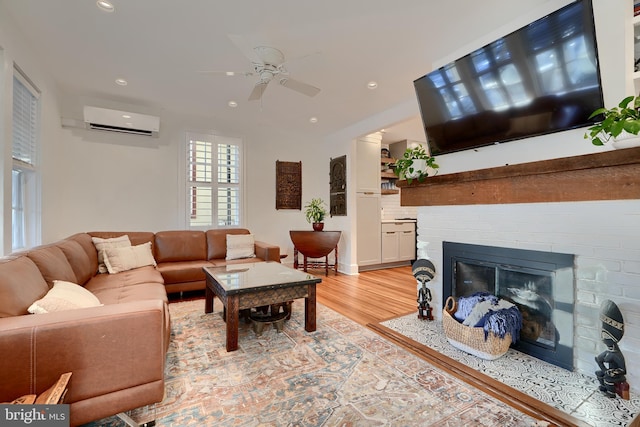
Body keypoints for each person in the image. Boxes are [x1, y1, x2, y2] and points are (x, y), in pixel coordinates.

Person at [595, 300, 628, 399]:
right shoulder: (607, 352)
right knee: (599, 373)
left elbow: (623, 370)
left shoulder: (617, 354)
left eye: (606, 337)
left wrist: (612, 372)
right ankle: (603, 387)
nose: (604, 339)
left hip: (617, 375)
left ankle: (611, 393)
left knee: (608, 378)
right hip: (609, 371)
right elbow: (598, 359)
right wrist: (604, 370)